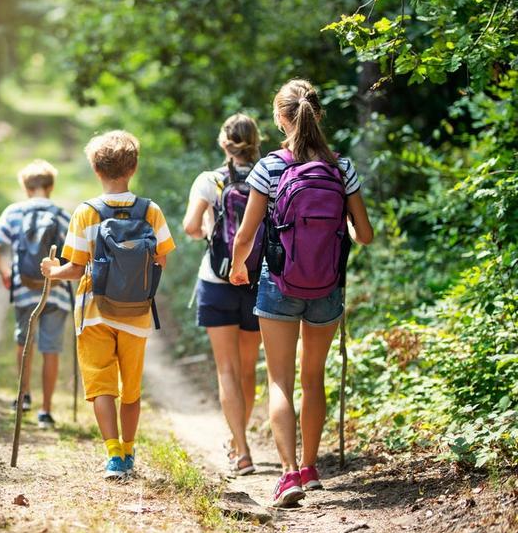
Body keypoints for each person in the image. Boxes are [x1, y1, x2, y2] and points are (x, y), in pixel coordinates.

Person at [229, 79, 373, 507]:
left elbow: (246, 235)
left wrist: (237, 267)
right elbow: (365, 234)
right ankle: (311, 469)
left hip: (279, 282)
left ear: (280, 117)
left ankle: (288, 474)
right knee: (314, 379)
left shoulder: (270, 167)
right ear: (318, 113)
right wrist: (339, 233)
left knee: (280, 380)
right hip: (327, 285)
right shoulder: (341, 167)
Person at [40, 130, 176, 479]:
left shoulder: (86, 212)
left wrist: (53, 272)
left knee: (102, 385)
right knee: (131, 389)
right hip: (137, 314)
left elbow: (75, 268)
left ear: (96, 170)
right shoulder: (151, 210)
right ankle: (129, 450)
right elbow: (161, 260)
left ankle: (113, 455)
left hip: (94, 312)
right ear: (133, 168)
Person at [182, 114, 263, 477]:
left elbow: (190, 227)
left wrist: (208, 232)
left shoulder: (209, 180)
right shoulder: (268, 175)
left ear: (223, 143)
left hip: (217, 280)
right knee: (247, 368)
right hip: (256, 281)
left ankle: (241, 450)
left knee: (226, 369)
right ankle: (237, 439)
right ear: (256, 141)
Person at [0, 160, 72, 429]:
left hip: (24, 289)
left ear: (25, 187)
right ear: (51, 187)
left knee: (24, 342)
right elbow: (77, 254)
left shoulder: (14, 213)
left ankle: (23, 397)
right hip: (55, 291)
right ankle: (46, 411)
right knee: (51, 348)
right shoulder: (62, 215)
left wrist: (5, 272)